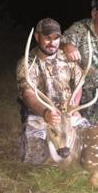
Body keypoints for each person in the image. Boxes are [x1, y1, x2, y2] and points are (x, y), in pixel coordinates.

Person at [16, 18, 83, 164]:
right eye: (47, 38)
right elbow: (28, 94)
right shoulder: (27, 63)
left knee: (88, 142)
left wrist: (73, 107)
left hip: (66, 113)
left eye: (56, 38)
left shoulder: (67, 57)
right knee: (35, 159)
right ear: (37, 37)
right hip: (40, 114)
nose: (52, 42)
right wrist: (45, 113)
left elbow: (79, 84)